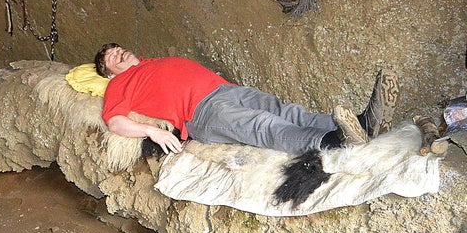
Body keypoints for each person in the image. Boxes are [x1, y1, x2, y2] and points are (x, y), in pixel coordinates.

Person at [93, 43, 396, 156]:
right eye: (112, 59)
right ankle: (332, 143)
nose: (118, 54)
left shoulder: (150, 61)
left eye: (118, 49)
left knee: (288, 111)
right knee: (263, 125)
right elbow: (115, 121)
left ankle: (361, 124)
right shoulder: (119, 84)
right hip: (201, 112)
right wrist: (152, 131)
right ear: (109, 74)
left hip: (226, 91)